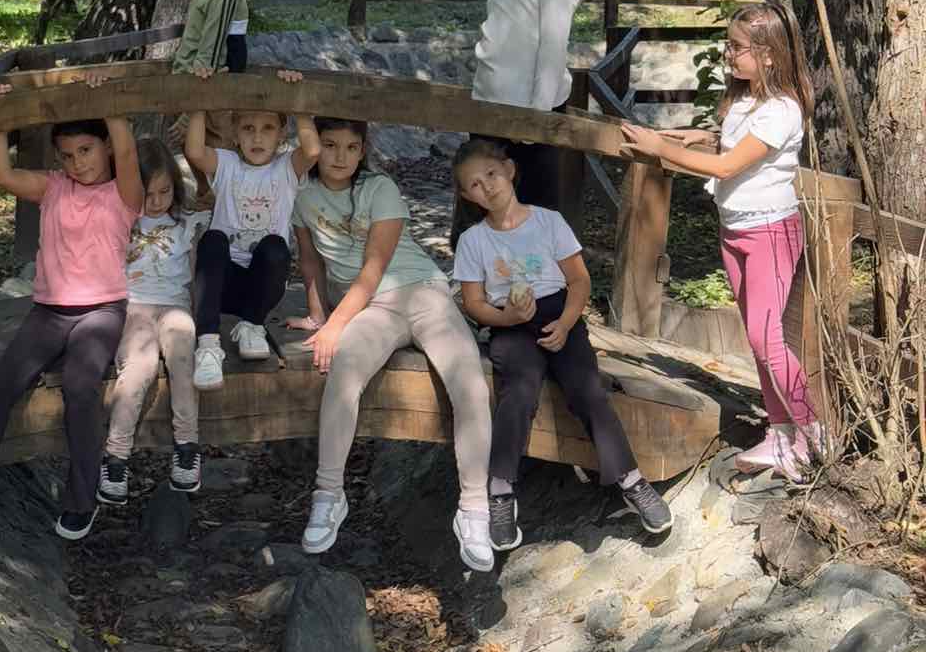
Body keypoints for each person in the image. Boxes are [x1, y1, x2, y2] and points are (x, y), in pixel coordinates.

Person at [0, 105, 144, 541]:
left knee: (81, 388)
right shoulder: (54, 187)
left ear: (106, 146)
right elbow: (2, 174)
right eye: (67, 155)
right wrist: (0, 119)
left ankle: (81, 501)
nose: (78, 162)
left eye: (86, 150)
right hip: (49, 311)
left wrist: (108, 100)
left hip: (101, 312)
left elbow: (127, 151)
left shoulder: (124, 192)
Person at [620, 2, 821, 480]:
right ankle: (780, 432)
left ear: (768, 54)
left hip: (770, 231)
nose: (728, 53)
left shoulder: (783, 109)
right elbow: (735, 151)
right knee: (757, 340)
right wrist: (700, 138)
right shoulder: (745, 100)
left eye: (737, 47)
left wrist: (661, 148)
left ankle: (812, 431)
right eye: (728, 45)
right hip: (736, 229)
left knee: (767, 338)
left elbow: (730, 167)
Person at [290, 118, 495, 573]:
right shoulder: (302, 196)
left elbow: (374, 267)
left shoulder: (379, 188)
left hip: (422, 294)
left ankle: (474, 508)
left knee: (470, 383)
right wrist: (320, 317)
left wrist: (335, 323)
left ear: (363, 151)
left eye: (351, 147)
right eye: (330, 145)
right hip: (372, 311)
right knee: (343, 370)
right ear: (316, 147)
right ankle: (329, 494)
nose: (340, 156)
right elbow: (310, 263)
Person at [452, 138, 672, 546]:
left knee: (587, 390)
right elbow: (474, 303)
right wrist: (507, 318)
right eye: (475, 184)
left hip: (559, 313)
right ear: (468, 196)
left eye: (492, 174)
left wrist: (567, 324)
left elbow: (579, 280)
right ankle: (500, 489)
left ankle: (630, 479)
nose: (488, 186)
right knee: (518, 392)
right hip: (511, 323)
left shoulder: (548, 222)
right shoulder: (473, 241)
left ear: (510, 170)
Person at [453, 0, 582, 249]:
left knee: (529, 217)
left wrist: (535, 120)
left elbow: (552, 46)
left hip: (525, 120)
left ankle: (541, 286)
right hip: (491, 114)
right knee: (482, 216)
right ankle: (484, 284)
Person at [99, 137, 208, 502]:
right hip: (133, 308)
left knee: (183, 359)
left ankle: (187, 446)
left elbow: (194, 274)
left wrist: (202, 319)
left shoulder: (186, 224)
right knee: (138, 368)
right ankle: (116, 456)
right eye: (148, 194)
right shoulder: (119, 222)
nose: (157, 201)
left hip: (175, 307)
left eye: (165, 191)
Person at [185, 105, 319, 389]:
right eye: (248, 129)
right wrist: (199, 102)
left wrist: (298, 102)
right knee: (212, 239)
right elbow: (195, 152)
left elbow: (312, 151)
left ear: (282, 133)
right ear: (235, 133)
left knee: (275, 246)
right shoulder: (227, 164)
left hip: (263, 288)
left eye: (268, 129)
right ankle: (208, 345)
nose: (257, 138)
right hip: (221, 286)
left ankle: (252, 326)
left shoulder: (286, 168)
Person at [170, 0, 266, 203]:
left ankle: (207, 194)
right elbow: (211, 45)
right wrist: (192, 108)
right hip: (209, 84)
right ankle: (226, 204)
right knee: (226, 148)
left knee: (209, 145)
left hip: (206, 81)